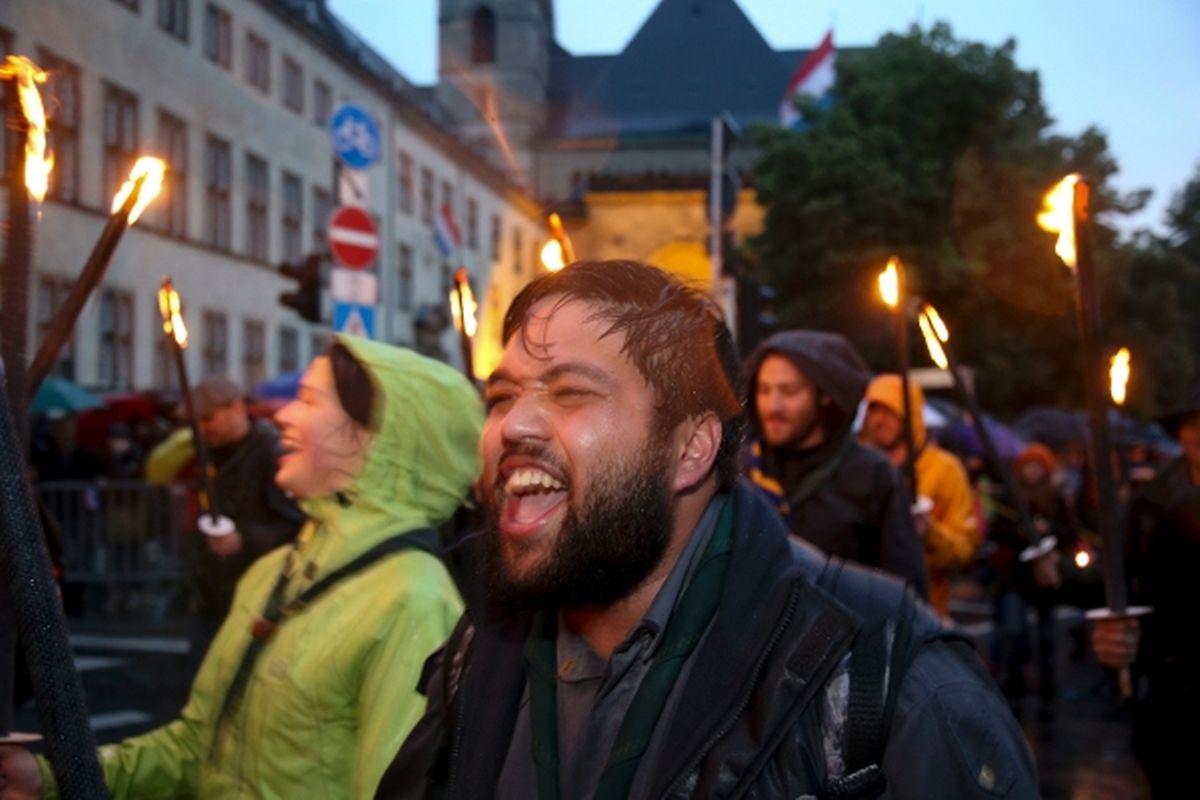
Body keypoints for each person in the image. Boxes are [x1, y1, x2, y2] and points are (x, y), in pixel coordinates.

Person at [377, 261, 1037, 798]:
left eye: (570, 392)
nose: (512, 425)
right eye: (501, 397)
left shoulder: (888, 683)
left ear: (691, 449)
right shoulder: (478, 647)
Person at [0, 336, 483, 798]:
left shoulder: (413, 603)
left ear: (375, 440)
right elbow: (197, 750)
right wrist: (49, 779)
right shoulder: (274, 573)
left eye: (309, 401)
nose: (284, 415)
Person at [743, 329, 928, 594]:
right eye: (764, 390)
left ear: (825, 394)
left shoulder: (872, 475)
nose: (773, 406)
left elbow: (904, 591)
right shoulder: (739, 469)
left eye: (789, 391)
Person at [1091, 383, 1200, 797]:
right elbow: (1120, 580)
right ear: (1180, 433)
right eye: (1192, 423)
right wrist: (1112, 638)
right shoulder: (1149, 503)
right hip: (1169, 686)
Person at [186, 376, 306, 659]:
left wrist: (244, 539)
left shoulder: (273, 454)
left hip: (258, 594)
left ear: (237, 408)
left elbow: (296, 523)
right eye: (196, 420)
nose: (202, 427)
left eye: (209, 418)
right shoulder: (208, 454)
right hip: (212, 592)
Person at [860, 375, 980, 617]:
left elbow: (965, 549)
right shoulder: (858, 467)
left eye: (889, 411)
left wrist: (930, 533)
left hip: (924, 610)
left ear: (910, 415)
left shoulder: (945, 469)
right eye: (873, 410)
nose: (879, 420)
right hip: (863, 606)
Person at [987, 443, 1075, 709]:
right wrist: (1019, 533)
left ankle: (1048, 685)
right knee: (1014, 629)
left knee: (1046, 634)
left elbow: (1069, 531)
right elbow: (996, 530)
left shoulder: (1055, 497)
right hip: (1016, 576)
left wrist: (1049, 531)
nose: (1033, 472)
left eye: (1038, 466)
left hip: (1043, 577)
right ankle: (1015, 680)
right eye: (1029, 466)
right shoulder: (1011, 497)